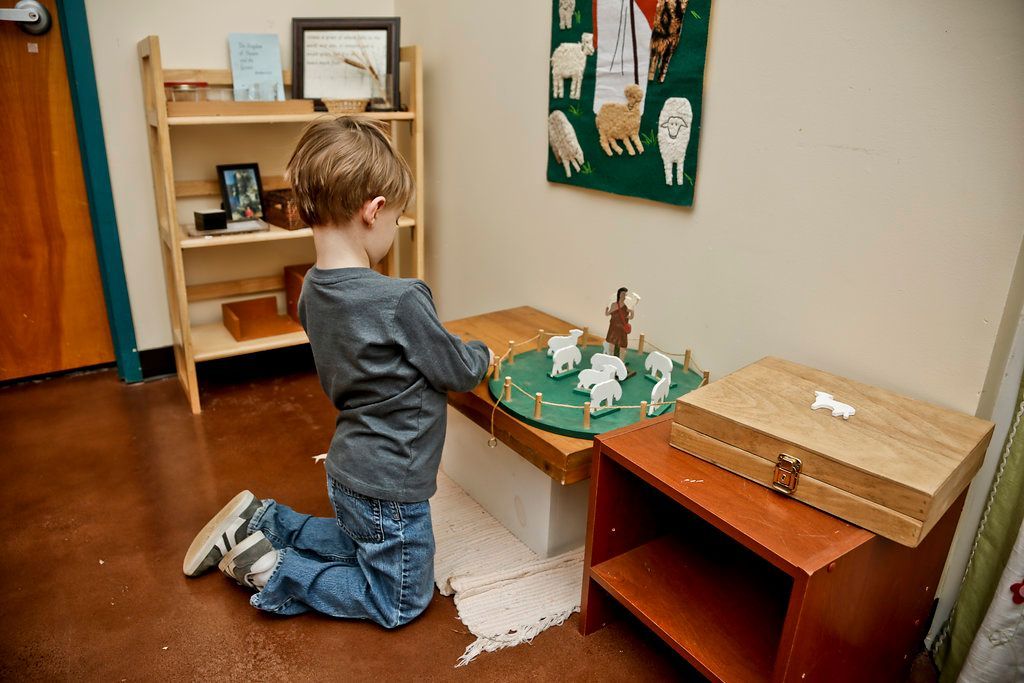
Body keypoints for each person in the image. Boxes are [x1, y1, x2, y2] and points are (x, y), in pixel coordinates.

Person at [181, 116, 493, 628]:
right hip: (390, 482)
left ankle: (263, 521)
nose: (394, 227)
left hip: (349, 470)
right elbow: (457, 370)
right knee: (399, 600)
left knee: (359, 541)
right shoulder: (400, 299)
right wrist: (480, 351)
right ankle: (272, 570)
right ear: (373, 211)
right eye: (396, 217)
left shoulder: (310, 291)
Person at [604, 287, 633, 357]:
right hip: (613, 327)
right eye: (623, 294)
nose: (624, 296)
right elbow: (607, 314)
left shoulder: (627, 306)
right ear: (619, 294)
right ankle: (610, 360)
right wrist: (607, 308)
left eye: (625, 294)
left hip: (622, 329)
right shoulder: (614, 305)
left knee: (622, 347)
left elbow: (630, 317)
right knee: (611, 346)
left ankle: (621, 363)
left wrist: (632, 312)